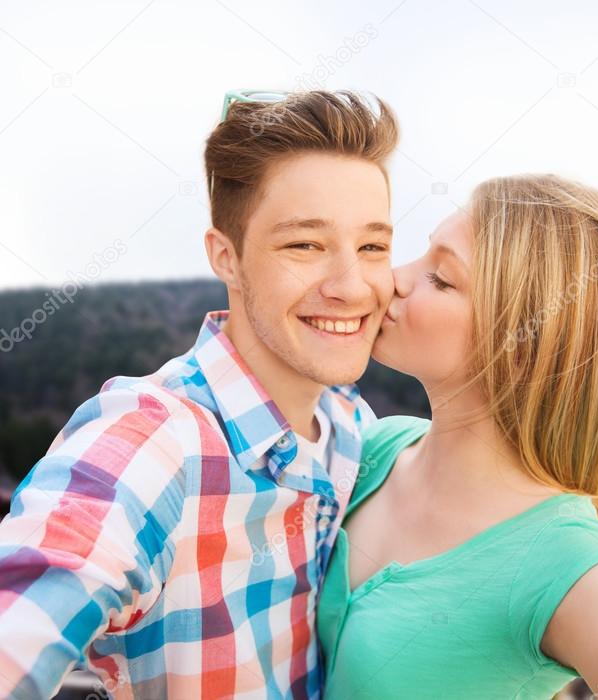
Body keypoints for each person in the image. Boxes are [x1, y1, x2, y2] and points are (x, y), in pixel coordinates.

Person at [0, 90, 397, 699]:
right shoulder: (155, 439)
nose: (352, 285)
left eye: (373, 246)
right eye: (305, 245)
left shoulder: (353, 427)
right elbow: (35, 590)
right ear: (226, 258)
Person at [317, 174, 598, 698]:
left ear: (525, 342)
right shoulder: (373, 448)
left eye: (441, 277)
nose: (393, 279)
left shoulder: (570, 563)